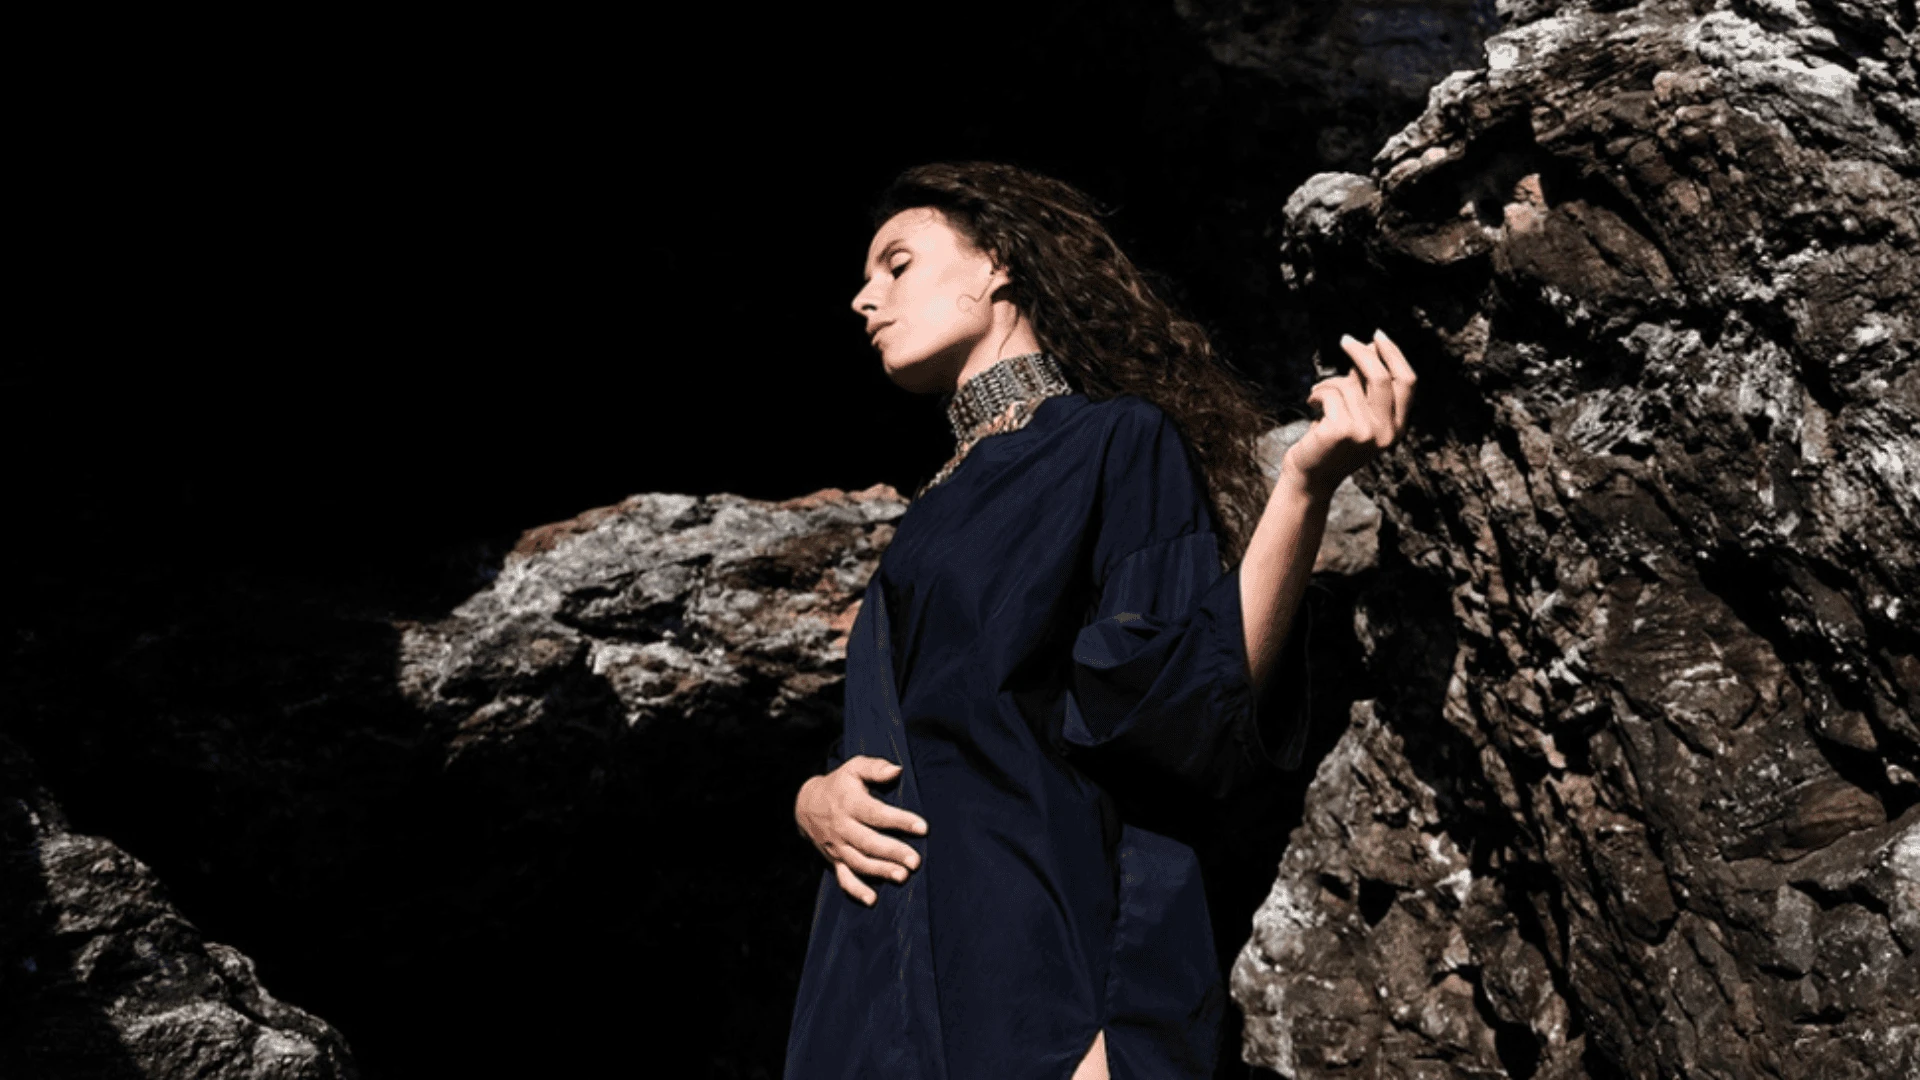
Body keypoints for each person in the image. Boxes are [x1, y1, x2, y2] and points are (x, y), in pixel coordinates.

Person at [786, 162, 1415, 1080]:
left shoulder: (1112, 441)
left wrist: (1304, 486)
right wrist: (813, 797)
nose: (863, 298)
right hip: (872, 978)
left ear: (997, 262)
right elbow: (913, 731)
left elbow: (1175, 705)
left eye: (898, 264)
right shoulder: (931, 509)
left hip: (1031, 984)